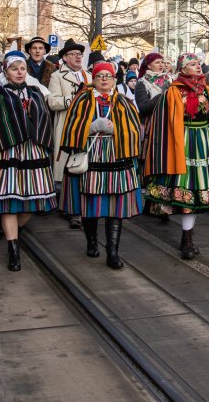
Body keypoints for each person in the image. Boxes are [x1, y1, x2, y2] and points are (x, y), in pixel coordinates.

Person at [144, 53, 209, 258]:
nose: (198, 67)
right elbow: (164, 123)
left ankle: (188, 237)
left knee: (197, 192)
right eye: (193, 64)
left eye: (198, 64)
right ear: (182, 68)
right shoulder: (173, 92)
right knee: (185, 189)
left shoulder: (208, 91)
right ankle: (186, 240)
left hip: (205, 142)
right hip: (182, 142)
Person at [59, 60, 143, 269]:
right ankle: (92, 241)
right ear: (93, 79)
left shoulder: (123, 101)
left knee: (116, 205)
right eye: (99, 76)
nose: (104, 80)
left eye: (108, 76)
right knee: (90, 201)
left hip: (117, 155)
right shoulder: (82, 99)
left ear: (114, 79)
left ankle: (112, 252)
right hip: (91, 155)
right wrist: (91, 127)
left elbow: (134, 130)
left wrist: (118, 130)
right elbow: (71, 127)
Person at [0, 50, 57, 271]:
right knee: (8, 201)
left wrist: (33, 117)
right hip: (8, 150)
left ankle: (15, 231)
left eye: (22, 68)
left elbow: (45, 119)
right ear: (6, 71)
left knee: (29, 204)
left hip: (32, 151)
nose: (19, 72)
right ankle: (13, 249)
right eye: (14, 69)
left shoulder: (36, 92)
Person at [47, 38, 90, 229]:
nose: (78, 57)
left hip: (88, 127)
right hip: (67, 126)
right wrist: (73, 98)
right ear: (65, 58)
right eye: (73, 54)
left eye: (80, 54)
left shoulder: (89, 75)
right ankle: (71, 208)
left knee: (86, 167)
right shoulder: (57, 76)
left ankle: (84, 207)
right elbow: (52, 102)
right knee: (70, 168)